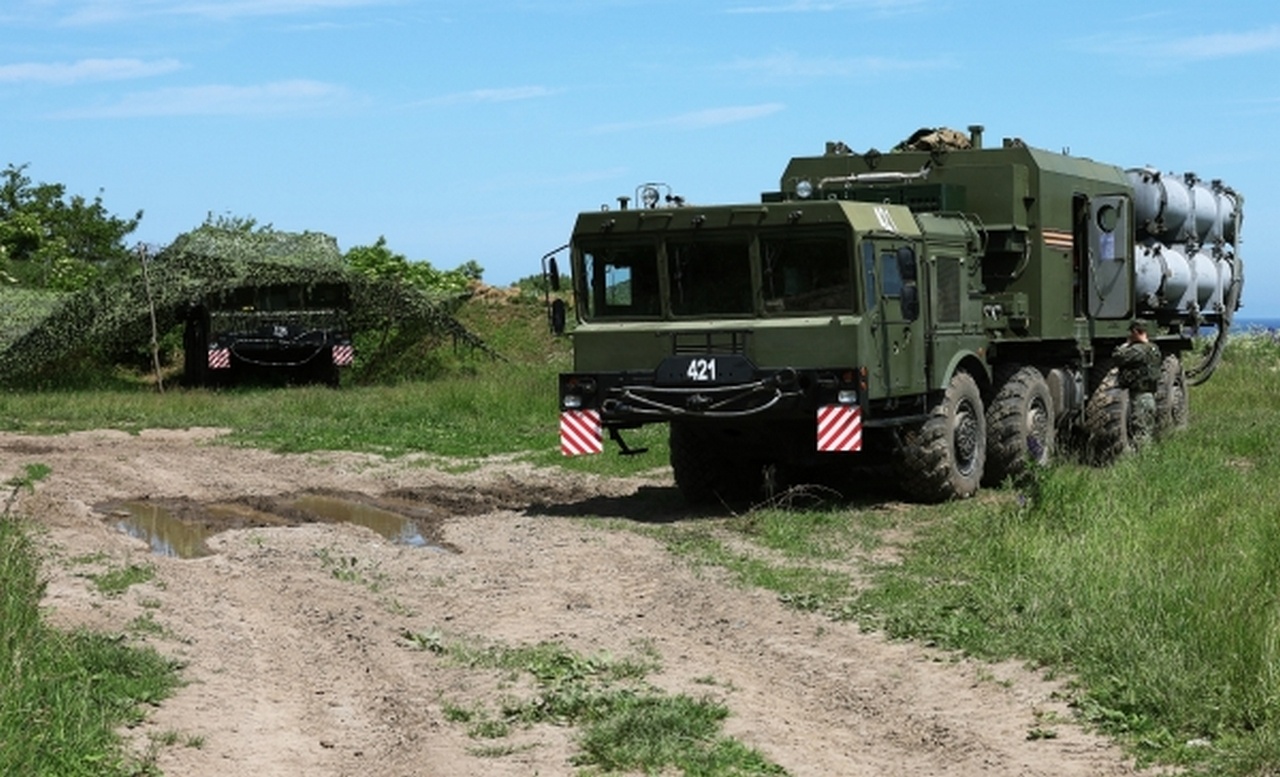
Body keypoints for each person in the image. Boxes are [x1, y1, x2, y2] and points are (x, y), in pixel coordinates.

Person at [1113, 321, 1162, 448]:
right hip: (1150, 396)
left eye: (1131, 332)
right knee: (1146, 430)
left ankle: (1144, 461)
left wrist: (1126, 344)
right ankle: (1147, 458)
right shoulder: (1154, 348)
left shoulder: (1137, 350)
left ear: (1135, 332)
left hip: (1140, 398)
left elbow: (1117, 356)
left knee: (1140, 432)